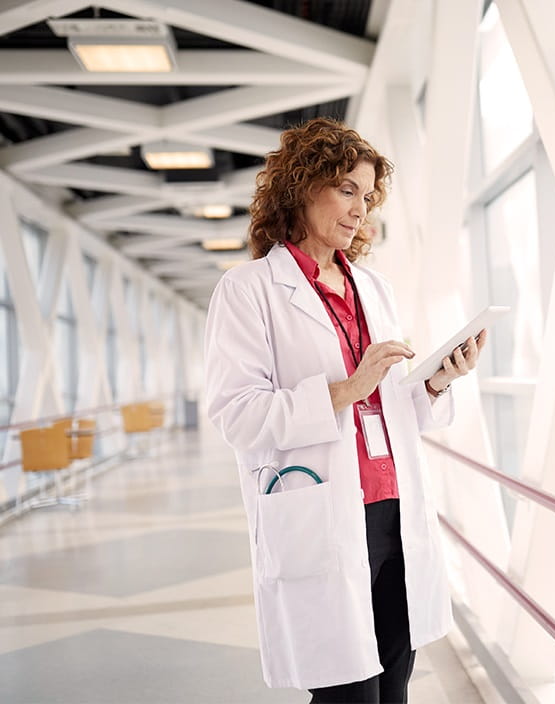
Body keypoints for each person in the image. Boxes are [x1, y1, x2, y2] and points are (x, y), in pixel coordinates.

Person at [204, 117, 486, 703]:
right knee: (347, 695)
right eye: (347, 190)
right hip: (322, 514)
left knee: (395, 686)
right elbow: (237, 414)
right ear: (303, 188)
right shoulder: (248, 289)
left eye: (368, 194)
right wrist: (344, 390)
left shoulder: (373, 288)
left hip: (392, 510)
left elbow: (387, 405)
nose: (361, 208)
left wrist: (433, 383)